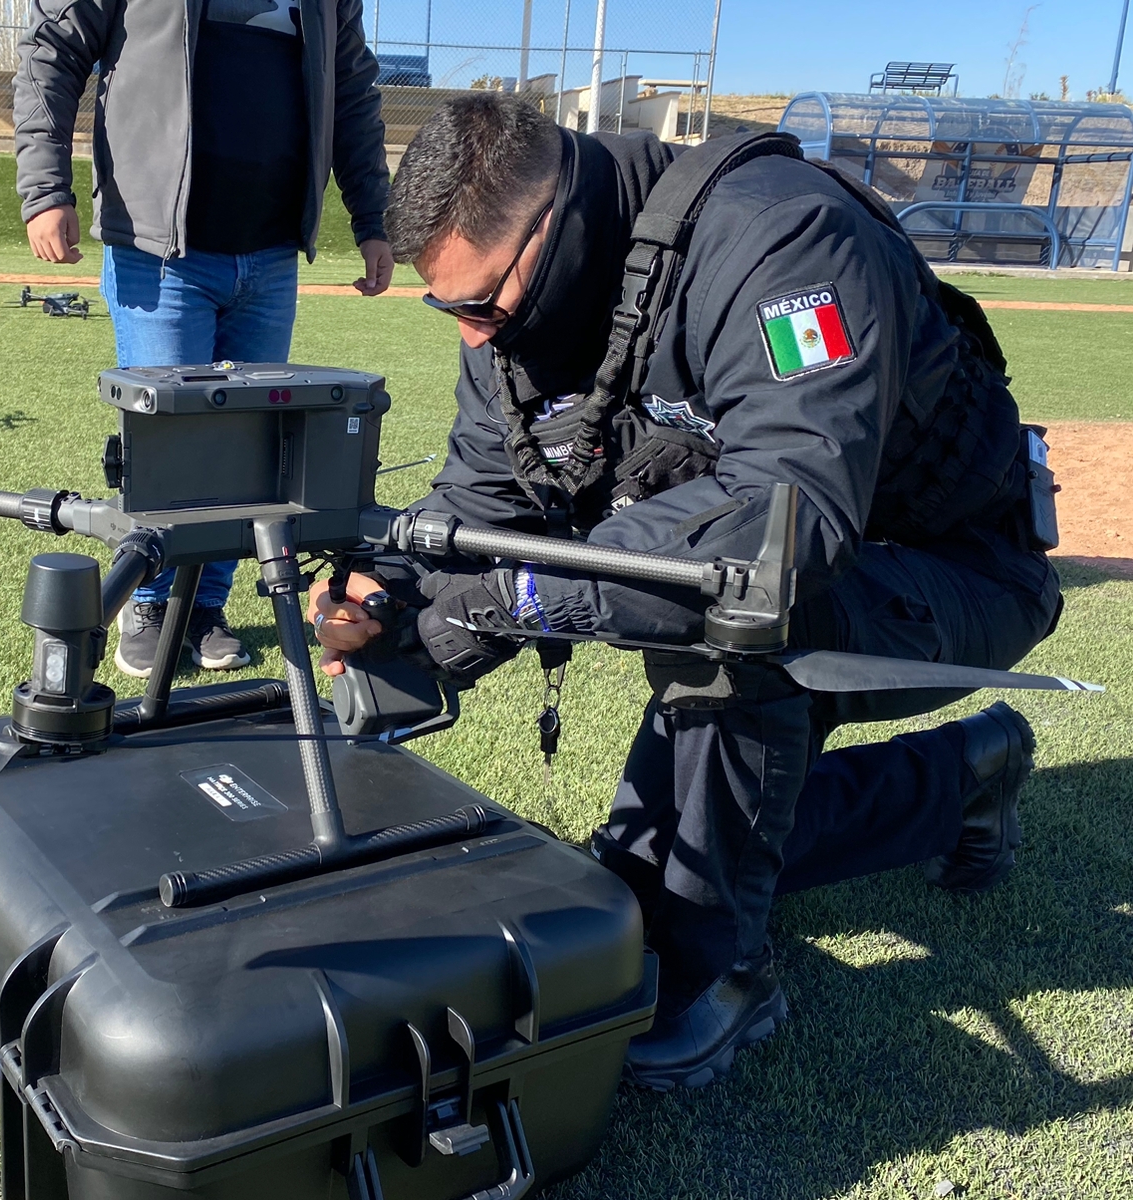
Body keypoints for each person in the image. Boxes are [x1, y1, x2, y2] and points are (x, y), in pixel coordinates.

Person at [308, 94, 1062, 1089]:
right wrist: (390, 584)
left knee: (732, 626)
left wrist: (509, 600)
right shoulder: (520, 321)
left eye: (483, 305)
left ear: (557, 226)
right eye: (451, 312)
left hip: (957, 567)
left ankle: (722, 975)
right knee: (649, 870)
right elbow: (486, 493)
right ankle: (964, 777)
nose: (476, 339)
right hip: (823, 571)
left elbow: (786, 519)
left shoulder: (781, 235)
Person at [15, 0, 394, 678]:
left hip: (271, 251)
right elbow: (52, 49)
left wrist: (374, 218)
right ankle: (150, 602)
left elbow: (352, 91)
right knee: (171, 444)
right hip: (158, 250)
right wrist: (45, 188)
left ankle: (204, 607)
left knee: (250, 448)